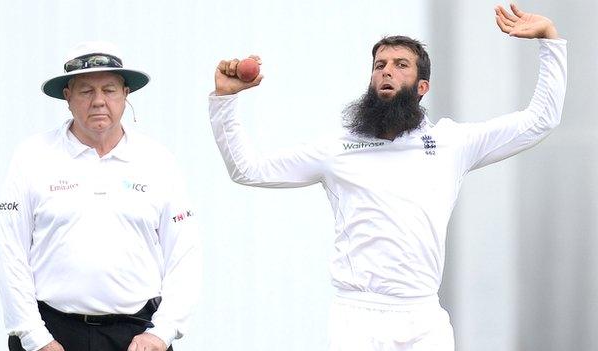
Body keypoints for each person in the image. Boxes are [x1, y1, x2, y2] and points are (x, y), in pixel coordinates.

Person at [208, 4, 565, 351]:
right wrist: (225, 100)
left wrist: (549, 40)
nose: (386, 72)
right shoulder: (336, 150)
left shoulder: (451, 143)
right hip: (358, 317)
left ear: (422, 87)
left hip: (423, 315)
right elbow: (248, 169)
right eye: (379, 65)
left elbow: (540, 120)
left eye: (400, 65)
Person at [0, 41, 201, 351]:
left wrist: (163, 332)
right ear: (67, 97)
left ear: (125, 95)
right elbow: (10, 252)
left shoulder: (158, 160)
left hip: (136, 335)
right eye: (86, 91)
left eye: (109, 90)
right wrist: (35, 338)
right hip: (51, 332)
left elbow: (184, 253)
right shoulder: (31, 157)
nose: (98, 101)